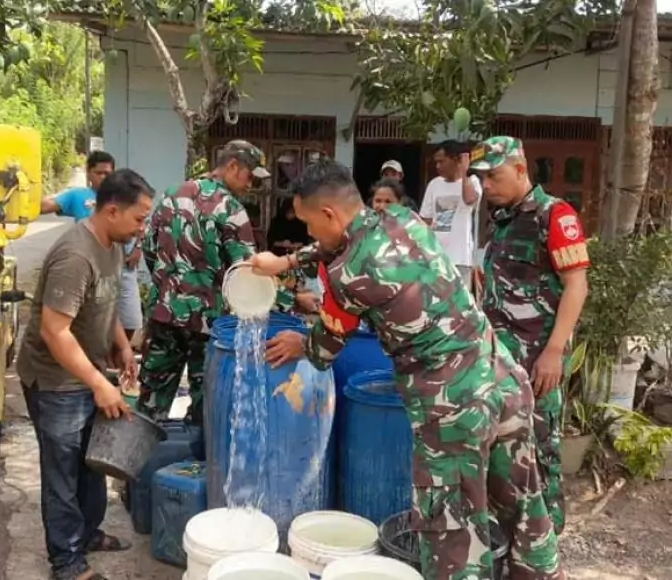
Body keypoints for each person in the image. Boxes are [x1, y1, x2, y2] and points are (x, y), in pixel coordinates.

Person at [251, 160, 563, 580]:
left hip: (453, 409)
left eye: (309, 225)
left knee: (453, 535)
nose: (309, 235)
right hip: (503, 379)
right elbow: (341, 242)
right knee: (524, 507)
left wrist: (300, 343)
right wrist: (288, 263)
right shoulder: (401, 217)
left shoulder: (348, 277)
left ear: (329, 214)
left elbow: (325, 348)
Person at [17, 169, 154, 580]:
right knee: (62, 472)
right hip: (55, 381)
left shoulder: (111, 243)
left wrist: (121, 346)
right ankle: (67, 562)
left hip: (87, 372)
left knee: (91, 463)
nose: (142, 227)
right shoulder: (75, 256)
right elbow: (54, 330)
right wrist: (98, 384)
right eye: (139, 218)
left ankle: (88, 533)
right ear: (112, 210)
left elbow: (105, 300)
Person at [472, 136, 591, 535]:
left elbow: (577, 285)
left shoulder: (553, 215)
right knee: (504, 450)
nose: (486, 185)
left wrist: (555, 351)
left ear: (521, 169)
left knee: (540, 451)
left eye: (493, 175)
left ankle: (547, 540)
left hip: (537, 362)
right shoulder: (502, 220)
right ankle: (513, 535)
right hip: (499, 362)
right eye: (482, 178)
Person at [140, 140, 298, 425]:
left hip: (164, 316)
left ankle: (143, 462)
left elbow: (149, 250)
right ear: (233, 166)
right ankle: (201, 463)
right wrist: (293, 300)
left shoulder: (171, 195)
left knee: (152, 402)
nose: (251, 185)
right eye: (249, 176)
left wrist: (168, 288)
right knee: (208, 406)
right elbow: (249, 272)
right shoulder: (230, 208)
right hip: (207, 324)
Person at [40, 150, 145, 343]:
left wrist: (138, 247)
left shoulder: (122, 196)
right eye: (100, 173)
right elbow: (45, 206)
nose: (105, 178)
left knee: (130, 320)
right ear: (88, 173)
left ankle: (113, 355)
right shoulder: (77, 196)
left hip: (123, 266)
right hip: (92, 266)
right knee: (87, 319)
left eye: (109, 173)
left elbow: (140, 223)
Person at [420, 140, 482, 289]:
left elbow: (469, 200)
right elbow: (425, 221)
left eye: (441, 161)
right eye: (436, 162)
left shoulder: (472, 182)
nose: (437, 166)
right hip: (436, 259)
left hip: (461, 260)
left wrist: (464, 172)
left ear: (456, 160)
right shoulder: (434, 184)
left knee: (459, 307)